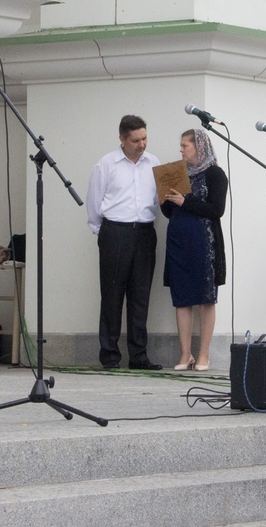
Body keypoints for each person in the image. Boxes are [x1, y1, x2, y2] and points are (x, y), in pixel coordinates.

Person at [85, 114, 162, 370]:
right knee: (112, 295)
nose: (142, 144)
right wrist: (104, 234)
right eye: (136, 140)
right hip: (115, 232)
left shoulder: (154, 163)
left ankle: (139, 357)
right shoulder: (106, 165)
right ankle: (109, 355)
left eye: (144, 138)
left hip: (144, 232)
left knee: (140, 296)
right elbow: (94, 205)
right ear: (122, 139)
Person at [161, 129, 228, 372]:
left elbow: (216, 209)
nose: (181, 149)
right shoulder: (177, 174)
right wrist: (164, 202)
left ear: (199, 147)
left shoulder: (215, 174)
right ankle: (185, 354)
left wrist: (185, 202)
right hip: (178, 240)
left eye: (185, 145)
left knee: (205, 298)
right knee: (182, 299)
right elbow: (171, 212)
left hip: (204, 241)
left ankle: (204, 355)